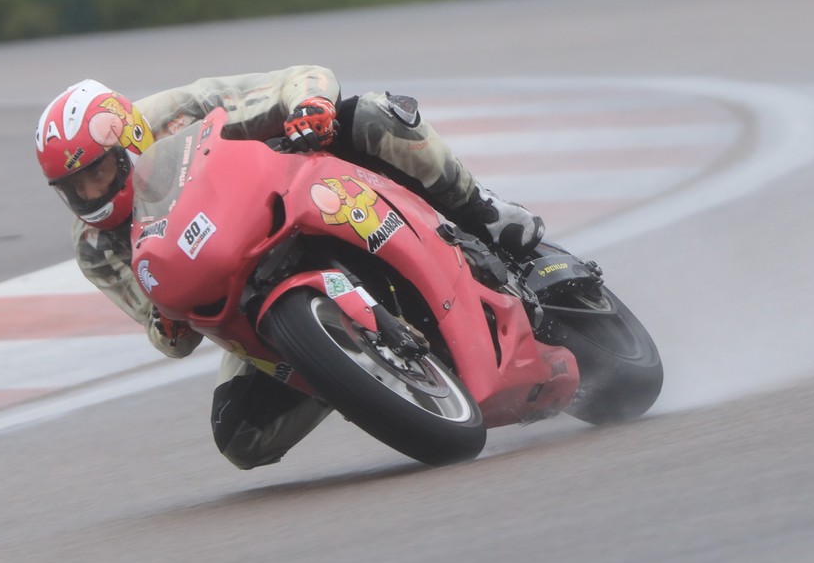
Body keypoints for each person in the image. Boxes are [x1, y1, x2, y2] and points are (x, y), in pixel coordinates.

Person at [32, 65, 545, 469]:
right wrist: (167, 323)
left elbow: (300, 78)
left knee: (370, 114)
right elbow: (165, 337)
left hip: (297, 192)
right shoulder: (96, 247)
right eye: (75, 187)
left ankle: (483, 211)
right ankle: (342, 367)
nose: (90, 192)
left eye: (98, 172)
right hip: (240, 291)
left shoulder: (173, 113)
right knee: (241, 438)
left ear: (127, 143)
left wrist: (310, 106)